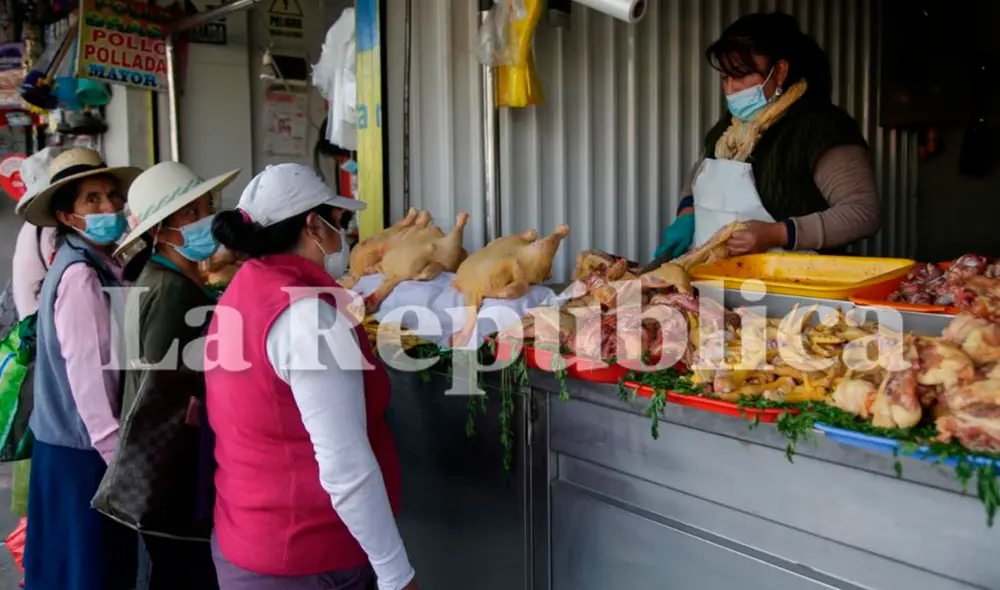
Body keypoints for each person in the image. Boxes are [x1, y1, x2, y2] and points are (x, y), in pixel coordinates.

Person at [206, 164, 418, 590]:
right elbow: (345, 466)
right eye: (339, 222)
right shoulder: (309, 318)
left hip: (245, 539)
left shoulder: (242, 291)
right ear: (313, 226)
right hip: (307, 558)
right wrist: (396, 573)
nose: (343, 235)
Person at [95, 161, 240, 590]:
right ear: (161, 229)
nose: (204, 220)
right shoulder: (168, 289)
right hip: (174, 468)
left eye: (205, 208)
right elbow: (158, 387)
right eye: (190, 214)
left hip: (175, 464)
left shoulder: (165, 278)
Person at [654, 12, 880, 260]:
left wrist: (778, 234)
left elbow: (862, 213)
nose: (730, 89)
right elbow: (699, 177)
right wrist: (687, 215)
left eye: (741, 75)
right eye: (725, 78)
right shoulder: (729, 129)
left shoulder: (823, 127)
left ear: (780, 71)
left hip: (795, 287)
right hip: (718, 283)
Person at [17, 147, 143, 590]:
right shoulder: (80, 276)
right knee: (88, 572)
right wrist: (116, 463)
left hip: (75, 450)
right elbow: (89, 379)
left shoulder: (101, 262)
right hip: (84, 454)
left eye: (111, 195)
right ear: (68, 217)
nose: (109, 206)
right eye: (92, 199)